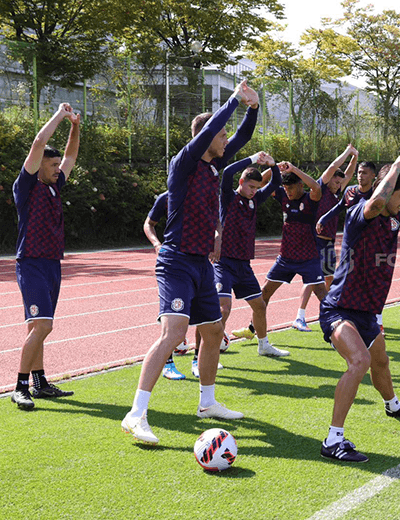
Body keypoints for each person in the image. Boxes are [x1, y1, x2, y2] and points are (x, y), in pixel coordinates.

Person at [121, 80, 258, 445]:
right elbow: (216, 128)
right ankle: (136, 414)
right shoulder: (184, 162)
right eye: (221, 135)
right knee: (173, 333)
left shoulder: (215, 166)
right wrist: (234, 99)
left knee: (213, 332)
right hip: (176, 261)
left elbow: (243, 137)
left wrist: (254, 108)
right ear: (205, 136)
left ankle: (207, 402)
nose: (226, 140)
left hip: (200, 264)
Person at [318, 151, 400, 462]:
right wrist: (396, 167)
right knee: (359, 361)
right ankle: (333, 440)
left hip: (367, 311)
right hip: (340, 308)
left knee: (381, 362)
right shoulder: (361, 213)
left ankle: (393, 405)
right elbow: (375, 203)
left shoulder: (396, 215)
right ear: (387, 190)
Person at [11, 103, 80, 410]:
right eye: (51, 166)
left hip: (52, 264)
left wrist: (75, 127)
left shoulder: (54, 187)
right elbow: (39, 142)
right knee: (43, 326)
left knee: (38, 326)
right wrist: (60, 115)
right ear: (39, 166)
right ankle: (20, 387)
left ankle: (40, 384)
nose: (57, 169)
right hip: (32, 263)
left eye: (56, 166)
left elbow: (71, 157)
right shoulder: (26, 187)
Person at [213, 152, 284, 360]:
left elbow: (275, 183)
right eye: (251, 186)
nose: (254, 191)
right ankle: (210, 354)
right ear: (241, 182)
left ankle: (263, 345)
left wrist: (273, 165)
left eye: (256, 187)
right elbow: (228, 172)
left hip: (243, 265)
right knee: (223, 309)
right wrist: (253, 159)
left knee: (260, 305)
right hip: (224, 263)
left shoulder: (255, 200)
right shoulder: (228, 197)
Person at [260, 161, 325, 353]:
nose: (287, 191)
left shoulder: (310, 198)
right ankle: (255, 329)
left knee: (323, 296)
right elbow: (260, 182)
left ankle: (335, 329)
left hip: (309, 258)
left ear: (300, 185)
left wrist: (294, 169)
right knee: (264, 293)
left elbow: (317, 187)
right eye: (285, 188)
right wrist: (274, 167)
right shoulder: (281, 195)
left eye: (291, 188)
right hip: (286, 258)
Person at [293, 144, 358, 332]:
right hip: (314, 240)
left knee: (329, 279)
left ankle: (330, 313)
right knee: (313, 279)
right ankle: (299, 317)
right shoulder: (320, 189)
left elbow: (348, 174)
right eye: (335, 182)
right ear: (329, 180)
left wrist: (355, 157)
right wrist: (347, 152)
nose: (338, 185)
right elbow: (332, 167)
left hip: (328, 242)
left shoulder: (337, 194)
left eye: (339, 183)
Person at [316, 159, 384, 332]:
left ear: (373, 175)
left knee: (371, 283)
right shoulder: (350, 191)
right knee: (344, 281)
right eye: (359, 172)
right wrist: (323, 218)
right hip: (350, 246)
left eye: (365, 173)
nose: (360, 176)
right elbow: (339, 207)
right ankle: (342, 315)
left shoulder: (376, 196)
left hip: (369, 246)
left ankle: (378, 320)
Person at [143, 191, 188, 380]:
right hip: (172, 262)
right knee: (170, 313)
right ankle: (167, 364)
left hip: (197, 261)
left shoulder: (203, 193)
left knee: (206, 318)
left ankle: (197, 361)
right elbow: (149, 224)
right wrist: (156, 244)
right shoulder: (167, 197)